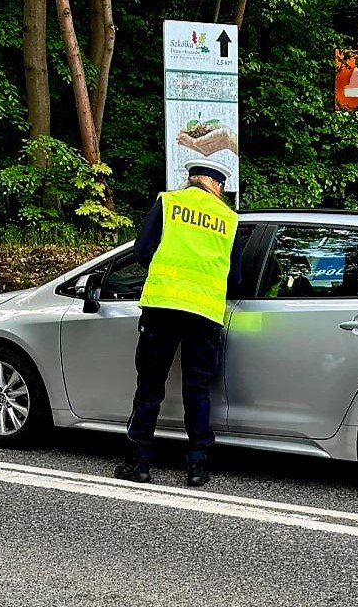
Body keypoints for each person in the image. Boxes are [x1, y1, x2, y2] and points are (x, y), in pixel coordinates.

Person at [114, 160, 241, 487]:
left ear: (191, 180)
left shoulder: (169, 203)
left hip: (163, 305)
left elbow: (142, 251)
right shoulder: (229, 219)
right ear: (218, 186)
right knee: (196, 389)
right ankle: (197, 464)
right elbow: (236, 277)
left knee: (150, 385)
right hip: (205, 313)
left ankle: (138, 462)